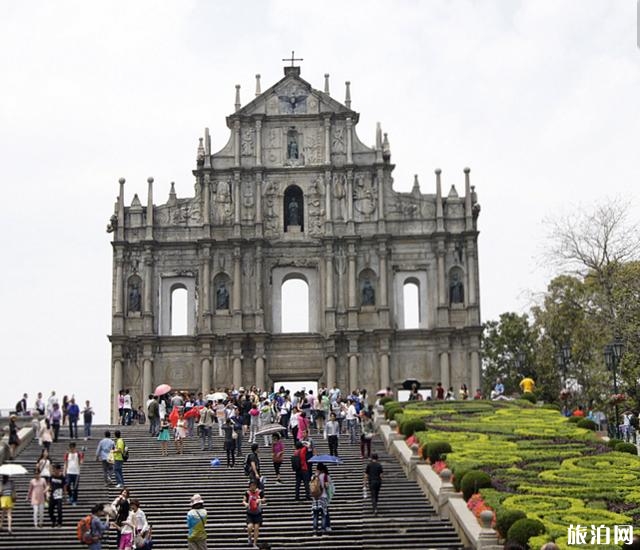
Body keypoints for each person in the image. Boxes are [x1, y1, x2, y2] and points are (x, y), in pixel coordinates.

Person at [311, 462, 333, 536]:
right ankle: (323, 530)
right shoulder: (325, 476)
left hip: (315, 498)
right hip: (323, 497)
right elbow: (327, 486)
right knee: (323, 514)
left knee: (315, 515)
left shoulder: (313, 476)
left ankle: (315, 531)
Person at [243, 479, 264, 549]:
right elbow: (243, 500)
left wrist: (260, 500)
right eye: (251, 486)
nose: (252, 487)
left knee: (256, 528)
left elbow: (264, 499)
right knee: (249, 527)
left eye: (254, 485)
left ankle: (255, 543)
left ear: (256, 485)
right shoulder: (247, 493)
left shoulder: (260, 492)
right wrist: (246, 504)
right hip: (250, 513)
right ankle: (249, 536)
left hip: (258, 513)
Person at [64, 441, 84, 506]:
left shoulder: (78, 454)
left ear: (75, 447)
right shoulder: (67, 454)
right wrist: (64, 471)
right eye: (70, 448)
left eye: (73, 447)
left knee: (75, 488)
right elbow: (66, 463)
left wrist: (81, 458)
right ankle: (71, 496)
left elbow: (81, 462)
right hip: (69, 472)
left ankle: (74, 500)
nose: (72, 449)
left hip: (76, 473)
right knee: (67, 485)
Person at [48, 462, 67, 527]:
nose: (55, 470)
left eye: (56, 469)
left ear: (59, 470)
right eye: (54, 469)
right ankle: (53, 520)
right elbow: (49, 484)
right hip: (52, 494)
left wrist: (65, 496)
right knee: (50, 510)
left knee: (59, 509)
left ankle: (59, 522)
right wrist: (49, 490)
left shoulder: (62, 477)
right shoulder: (51, 476)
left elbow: (64, 487)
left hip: (59, 495)